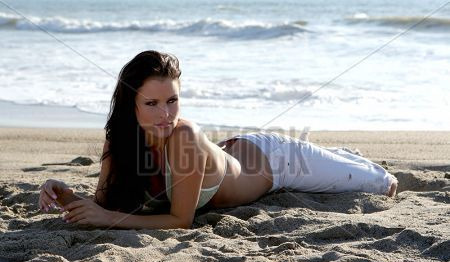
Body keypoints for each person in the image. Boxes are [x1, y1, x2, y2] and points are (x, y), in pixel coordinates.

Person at [38, 50, 398, 230]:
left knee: (383, 184)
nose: (166, 114)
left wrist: (108, 219)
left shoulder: (184, 137)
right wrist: (64, 192)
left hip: (278, 161)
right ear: (130, 105)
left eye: (172, 101)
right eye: (152, 104)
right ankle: (339, 156)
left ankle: (342, 158)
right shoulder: (118, 141)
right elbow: (104, 203)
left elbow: (180, 221)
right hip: (232, 153)